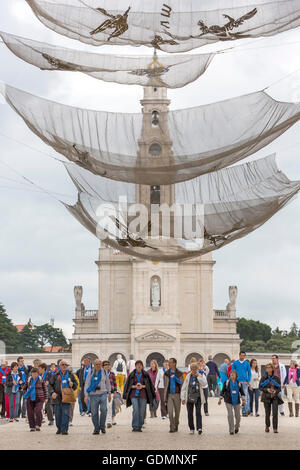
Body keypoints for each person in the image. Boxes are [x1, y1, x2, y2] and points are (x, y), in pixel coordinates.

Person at [123, 360, 156, 432]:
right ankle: (135, 426)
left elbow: (150, 385)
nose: (139, 366)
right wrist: (134, 386)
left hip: (143, 395)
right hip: (133, 395)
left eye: (140, 364)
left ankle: (140, 426)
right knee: (135, 410)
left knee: (142, 411)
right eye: (137, 364)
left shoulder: (145, 374)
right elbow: (128, 385)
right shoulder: (132, 374)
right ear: (135, 366)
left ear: (142, 366)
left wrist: (143, 386)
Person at [48, 360, 77, 435]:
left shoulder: (70, 375)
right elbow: (50, 385)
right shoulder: (55, 375)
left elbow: (76, 385)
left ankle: (64, 429)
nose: (64, 366)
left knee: (66, 413)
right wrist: (52, 392)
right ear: (59, 366)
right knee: (58, 414)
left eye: (65, 364)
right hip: (57, 396)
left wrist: (72, 384)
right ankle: (59, 428)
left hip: (67, 396)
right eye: (62, 364)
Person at [84, 359, 111, 435]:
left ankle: (102, 426)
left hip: (103, 394)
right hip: (93, 395)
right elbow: (87, 384)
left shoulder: (104, 372)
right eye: (96, 364)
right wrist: (86, 395)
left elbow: (108, 383)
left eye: (99, 364)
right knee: (94, 413)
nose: (98, 365)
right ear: (94, 365)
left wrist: (109, 393)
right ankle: (96, 428)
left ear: (101, 365)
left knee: (104, 410)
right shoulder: (91, 372)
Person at [181, 362, 207, 435]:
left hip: (198, 397)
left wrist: (198, 376)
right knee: (190, 413)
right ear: (191, 369)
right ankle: (191, 428)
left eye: (195, 369)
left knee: (198, 412)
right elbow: (184, 387)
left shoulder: (200, 375)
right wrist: (183, 398)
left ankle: (199, 428)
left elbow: (204, 383)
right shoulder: (188, 376)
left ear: (197, 369)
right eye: (192, 369)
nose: (194, 370)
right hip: (189, 396)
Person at [218, 369, 246, 435]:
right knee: (230, 415)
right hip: (228, 400)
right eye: (231, 374)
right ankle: (231, 429)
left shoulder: (239, 383)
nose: (232, 375)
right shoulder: (226, 382)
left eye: (234, 374)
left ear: (236, 375)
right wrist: (220, 399)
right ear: (229, 375)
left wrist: (243, 400)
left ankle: (236, 427)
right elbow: (222, 391)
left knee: (238, 416)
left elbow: (242, 392)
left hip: (237, 401)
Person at [259, 363, 283, 433]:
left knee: (275, 413)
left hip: (275, 397)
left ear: (272, 369)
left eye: (269, 368)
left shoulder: (276, 378)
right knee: (267, 413)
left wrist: (275, 391)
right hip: (266, 396)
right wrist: (267, 390)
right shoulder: (263, 378)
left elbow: (279, 388)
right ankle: (267, 426)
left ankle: (275, 428)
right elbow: (260, 387)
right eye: (267, 368)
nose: (268, 369)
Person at [23, 367, 48, 431]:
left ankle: (38, 425)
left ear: (38, 373)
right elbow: (24, 388)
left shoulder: (40, 379)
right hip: (30, 398)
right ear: (31, 374)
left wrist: (46, 397)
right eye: (33, 373)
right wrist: (26, 393)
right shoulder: (28, 380)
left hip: (40, 398)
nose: (34, 375)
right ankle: (32, 426)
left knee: (38, 411)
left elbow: (45, 389)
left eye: (36, 373)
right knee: (30, 412)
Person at [163, 358, 184, 433]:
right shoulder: (166, 373)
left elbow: (182, 384)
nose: (169, 364)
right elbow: (165, 385)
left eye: (170, 362)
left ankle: (176, 424)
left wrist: (175, 378)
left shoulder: (180, 373)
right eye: (168, 362)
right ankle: (172, 427)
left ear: (174, 363)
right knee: (170, 412)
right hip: (169, 395)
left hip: (177, 395)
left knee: (177, 413)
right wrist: (164, 396)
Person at [232, 352, 251, 416]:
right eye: (241, 355)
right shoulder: (235, 363)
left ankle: (244, 411)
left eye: (243, 355)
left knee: (244, 397)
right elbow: (233, 372)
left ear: (245, 356)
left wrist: (248, 380)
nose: (242, 356)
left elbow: (249, 373)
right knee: (236, 397)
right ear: (239, 355)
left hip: (244, 382)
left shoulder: (247, 363)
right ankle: (237, 411)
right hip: (237, 382)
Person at [102, 360, 117, 428]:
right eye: (106, 364)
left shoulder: (112, 374)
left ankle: (109, 422)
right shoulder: (101, 374)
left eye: (108, 364)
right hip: (102, 392)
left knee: (109, 407)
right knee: (103, 408)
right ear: (103, 366)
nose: (107, 365)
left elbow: (114, 382)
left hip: (110, 393)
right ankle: (103, 421)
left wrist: (115, 391)